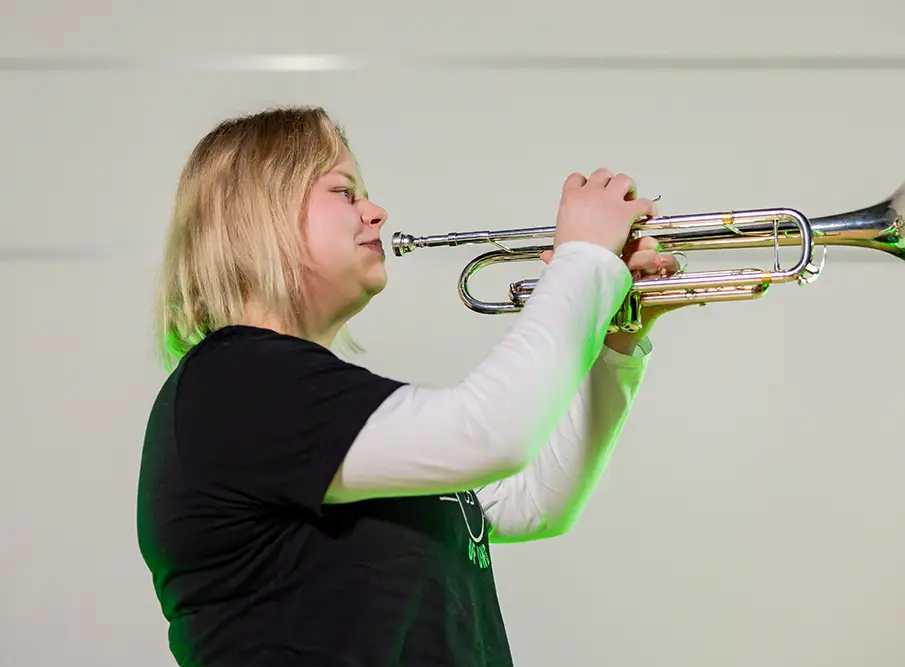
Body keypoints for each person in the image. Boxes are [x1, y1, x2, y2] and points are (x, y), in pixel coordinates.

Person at [136, 105, 685, 667]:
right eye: (344, 192)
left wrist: (614, 342)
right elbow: (491, 434)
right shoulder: (236, 385)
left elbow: (533, 501)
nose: (376, 212)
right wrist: (585, 258)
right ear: (260, 215)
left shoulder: (306, 402)